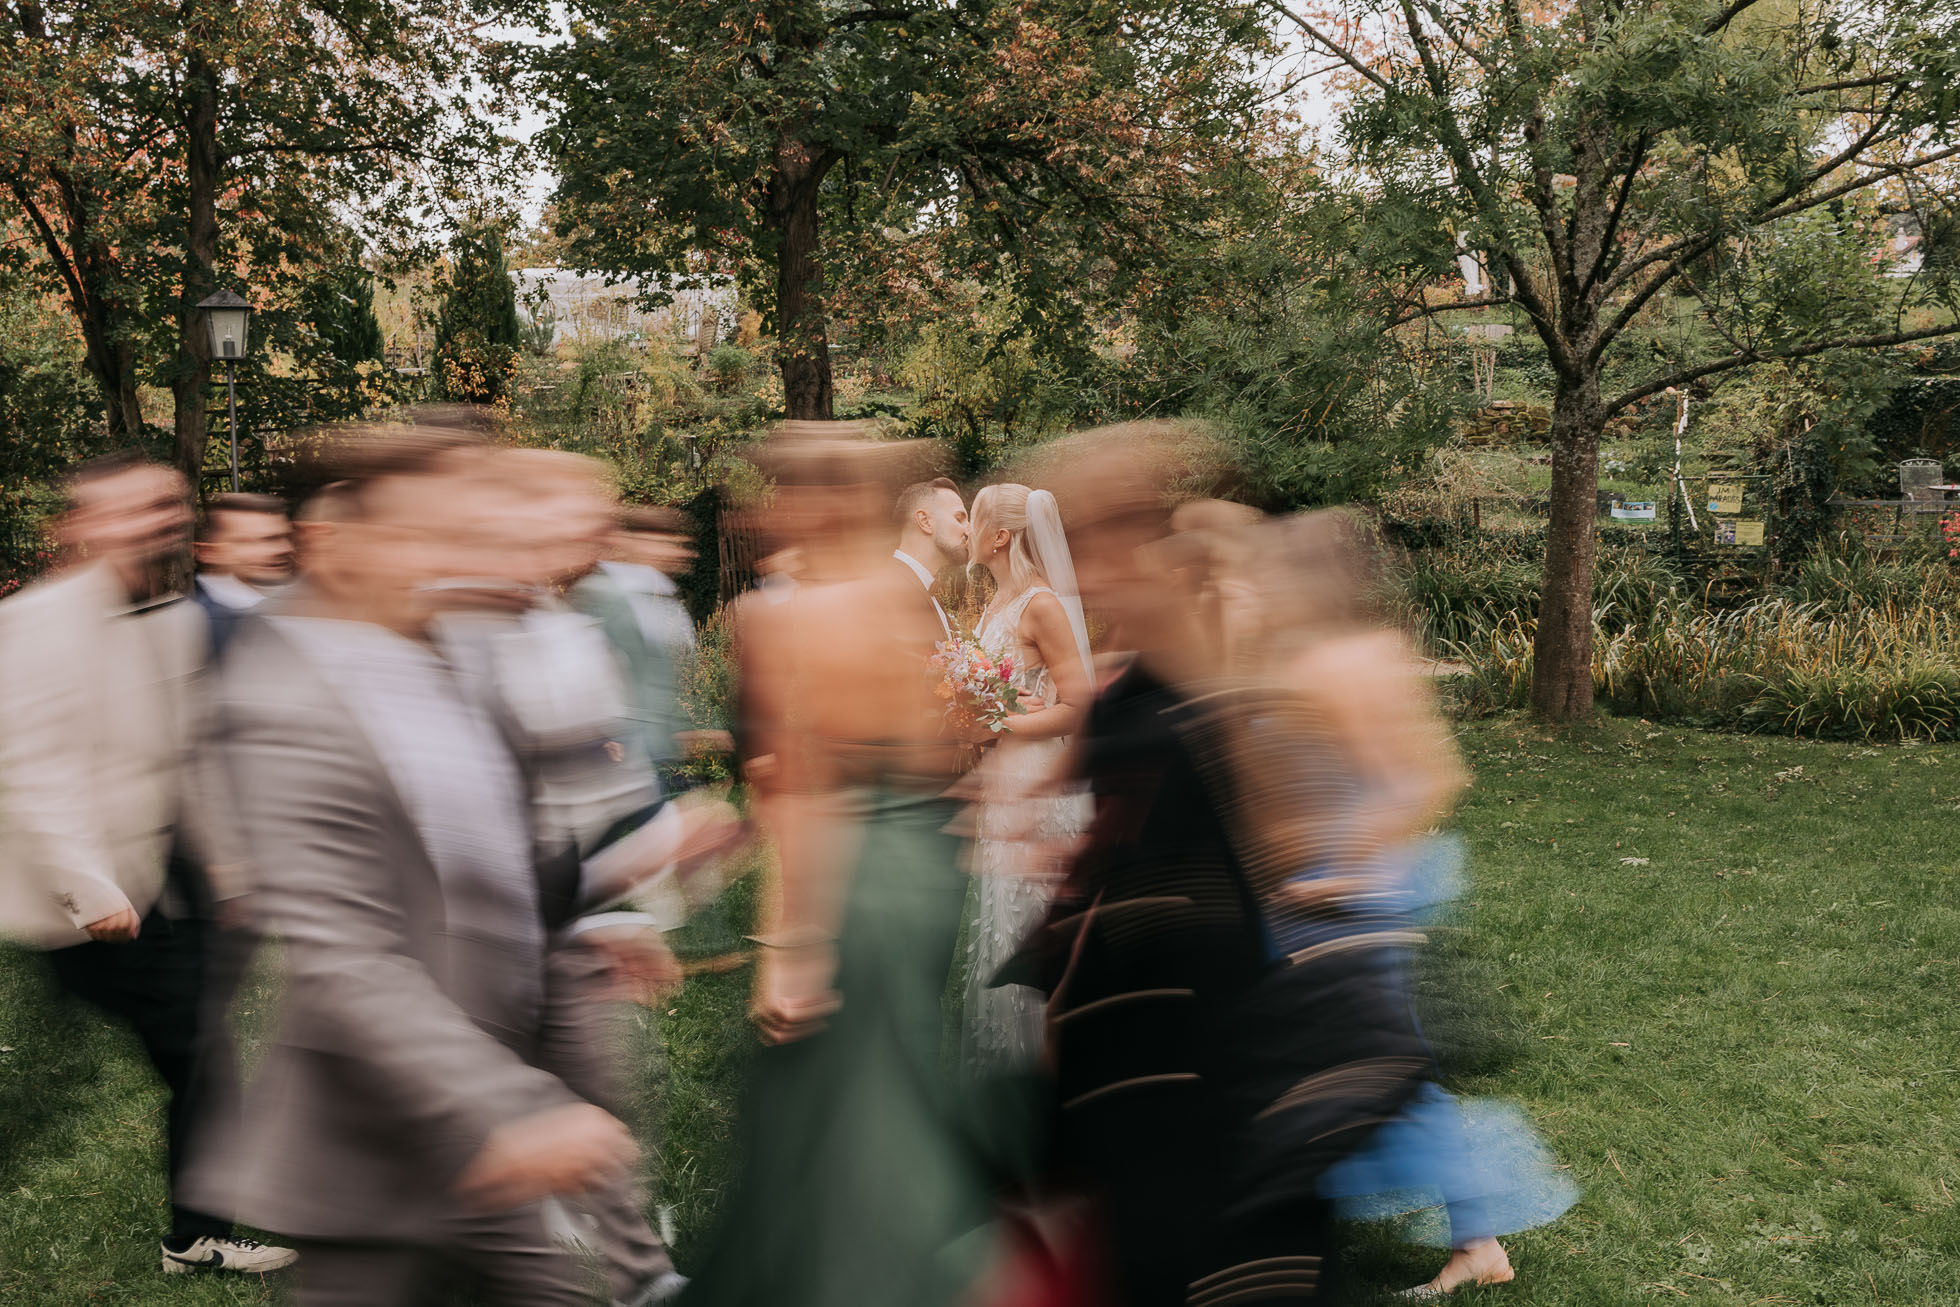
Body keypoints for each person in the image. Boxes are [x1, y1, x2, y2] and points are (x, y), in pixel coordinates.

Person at [206, 429, 660, 1305]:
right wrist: (517, 1106)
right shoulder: (279, 698)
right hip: (379, 1144)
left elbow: (516, 848)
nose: (451, 555)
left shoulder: (458, 642)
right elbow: (347, 956)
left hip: (496, 1129)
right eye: (426, 533)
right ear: (341, 541)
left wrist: (598, 919)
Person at [1007, 423, 1434, 1307]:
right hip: (1119, 1006)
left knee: (1211, 1252)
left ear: (1129, 531)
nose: (1077, 552)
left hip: (1200, 1016)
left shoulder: (1208, 651)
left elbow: (1275, 829)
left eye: (1090, 528)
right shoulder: (1133, 657)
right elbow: (1106, 775)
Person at [683, 436, 998, 1307]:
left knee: (838, 1107)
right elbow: (953, 757)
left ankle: (850, 1274)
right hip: (924, 870)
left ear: (805, 505)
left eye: (775, 493)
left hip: (853, 878)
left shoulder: (786, 617)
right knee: (889, 1083)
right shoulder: (913, 607)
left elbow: (802, 793)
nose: (762, 511)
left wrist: (793, 944)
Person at [1238, 511, 1575, 1299]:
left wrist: (1340, 874)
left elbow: (1426, 779)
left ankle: (1475, 1238)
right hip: (1331, 896)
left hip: (1349, 901)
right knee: (1362, 1074)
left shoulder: (1348, 662)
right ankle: (1456, 1231)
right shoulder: (1325, 654)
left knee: (1384, 1080)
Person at [0, 452, 297, 1277]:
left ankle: (200, 1228)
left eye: (161, 505)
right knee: (197, 1054)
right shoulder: (33, 622)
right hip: (85, 909)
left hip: (147, 883)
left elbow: (183, 761)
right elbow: (30, 770)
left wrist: (230, 867)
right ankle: (199, 1236)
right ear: (78, 525)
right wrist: (90, 890)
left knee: (195, 1055)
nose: (150, 521)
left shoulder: (167, 618)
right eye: (125, 508)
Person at [960, 483, 1095, 1072]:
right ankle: (1006, 1072)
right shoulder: (993, 604)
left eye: (977, 519)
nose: (966, 529)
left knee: (1032, 924)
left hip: (1039, 780)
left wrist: (1005, 723)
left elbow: (1081, 705)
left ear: (1001, 536)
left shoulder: (1041, 604)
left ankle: (1044, 1069)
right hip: (1001, 779)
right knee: (1004, 918)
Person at [597, 506, 699, 787]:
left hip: (658, 752)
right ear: (627, 541)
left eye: (678, 544)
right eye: (662, 541)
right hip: (621, 756)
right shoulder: (601, 595)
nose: (676, 552)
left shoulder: (665, 598)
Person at [191, 492, 293, 656]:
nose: (282, 549)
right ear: (209, 552)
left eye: (283, 537)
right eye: (260, 541)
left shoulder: (285, 606)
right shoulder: (196, 627)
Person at [892, 475, 970, 640]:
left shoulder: (928, 590)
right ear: (925, 521)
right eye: (959, 518)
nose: (968, 531)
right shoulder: (890, 591)